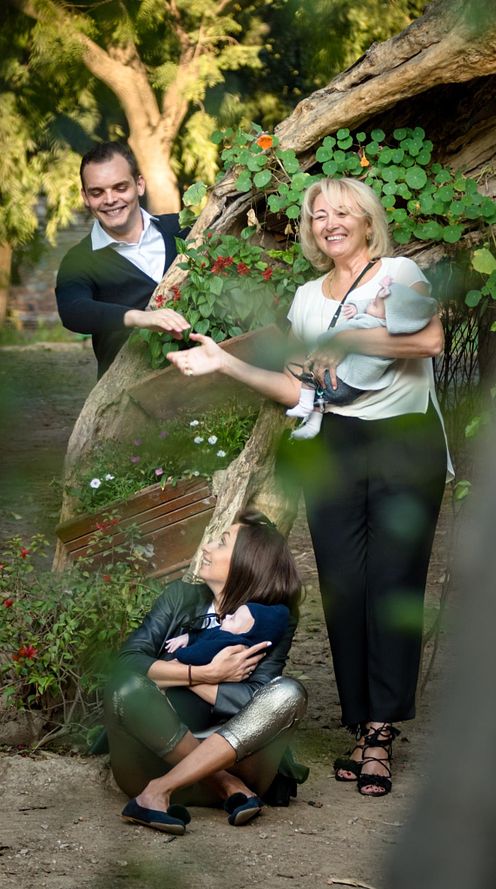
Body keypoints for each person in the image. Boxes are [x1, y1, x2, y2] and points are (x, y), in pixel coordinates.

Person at [166, 176, 454, 798]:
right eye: (319, 215)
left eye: (342, 212)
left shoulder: (397, 273)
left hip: (404, 443)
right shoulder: (305, 299)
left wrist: (345, 337)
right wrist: (226, 362)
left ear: (367, 220)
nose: (330, 223)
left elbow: (430, 340)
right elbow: (301, 390)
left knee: (393, 583)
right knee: (345, 587)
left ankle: (380, 733)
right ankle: (360, 721)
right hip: (334, 446)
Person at [104, 509, 308, 834]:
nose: (207, 547)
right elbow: (127, 663)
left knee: (289, 693)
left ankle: (160, 792)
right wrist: (206, 674)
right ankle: (225, 785)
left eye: (222, 542)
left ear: (247, 562)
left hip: (237, 757)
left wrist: (172, 674)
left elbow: (257, 699)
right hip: (155, 757)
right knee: (126, 686)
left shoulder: (272, 618)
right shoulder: (179, 598)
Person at [56, 141, 191, 378]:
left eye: (120, 187)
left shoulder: (182, 229)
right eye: (97, 192)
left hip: (205, 383)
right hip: (126, 391)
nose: (110, 199)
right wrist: (139, 317)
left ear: (139, 185)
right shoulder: (79, 260)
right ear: (85, 197)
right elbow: (73, 311)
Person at [288, 274, 438, 439]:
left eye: (375, 304)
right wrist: (357, 307)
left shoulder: (370, 323)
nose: (371, 302)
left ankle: (305, 406)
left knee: (312, 377)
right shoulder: (386, 322)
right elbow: (370, 304)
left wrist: (325, 341)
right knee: (321, 394)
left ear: (388, 317)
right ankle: (313, 424)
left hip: (345, 385)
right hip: (354, 389)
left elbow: (343, 332)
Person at [165, 601, 290, 666]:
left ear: (244, 634)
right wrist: (189, 637)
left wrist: (181, 653)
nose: (228, 615)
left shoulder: (229, 643)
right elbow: (207, 633)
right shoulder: (226, 632)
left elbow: (199, 653)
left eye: (233, 618)